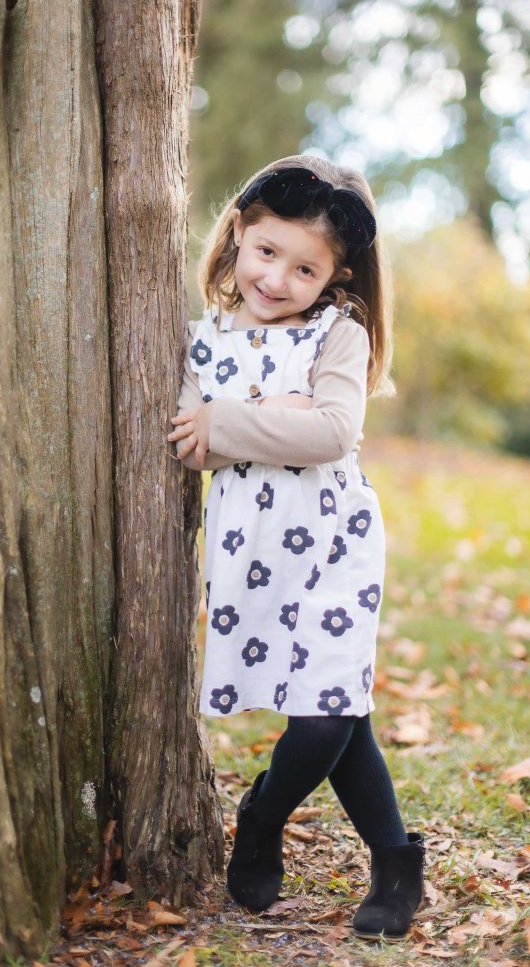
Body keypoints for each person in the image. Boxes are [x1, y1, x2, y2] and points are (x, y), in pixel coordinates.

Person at [167, 155, 425, 941]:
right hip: (253, 552)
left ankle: (262, 816)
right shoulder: (200, 340)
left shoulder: (335, 333)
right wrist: (269, 410)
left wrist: (235, 418)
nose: (276, 279)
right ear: (238, 234)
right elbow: (191, 442)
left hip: (332, 547)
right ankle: (393, 860)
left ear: (335, 276)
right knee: (335, 705)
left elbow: (331, 430)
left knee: (322, 716)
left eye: (304, 268)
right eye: (266, 252)